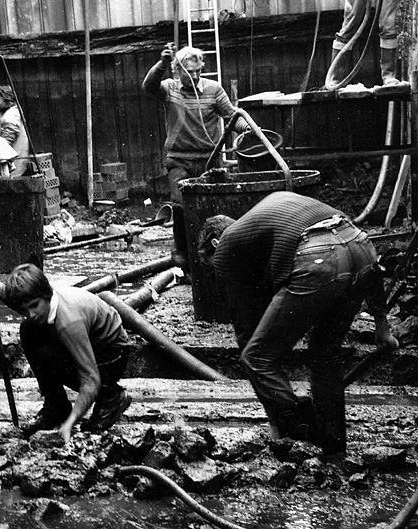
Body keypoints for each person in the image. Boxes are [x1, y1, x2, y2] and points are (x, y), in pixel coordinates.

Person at [197, 191, 398, 455]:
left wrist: (276, 416)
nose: (216, 274)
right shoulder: (268, 217)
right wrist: (382, 326)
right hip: (361, 248)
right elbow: (360, 256)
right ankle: (333, 445)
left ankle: (299, 438)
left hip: (318, 256)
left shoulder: (226, 247)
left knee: (256, 357)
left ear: (214, 243)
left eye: (210, 267)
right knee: (324, 353)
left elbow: (248, 336)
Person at [0, 260, 132, 443]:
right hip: (91, 342)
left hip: (113, 353)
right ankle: (56, 406)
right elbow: (13, 299)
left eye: (34, 306)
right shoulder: (42, 301)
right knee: (29, 328)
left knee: (50, 358)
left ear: (46, 295)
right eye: (25, 309)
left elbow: (90, 379)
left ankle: (110, 396)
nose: (31, 313)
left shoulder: (69, 323)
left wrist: (71, 423)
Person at [143, 44, 249, 204]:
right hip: (179, 161)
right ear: (178, 70)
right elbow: (149, 86)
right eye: (189, 72)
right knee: (180, 204)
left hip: (210, 159)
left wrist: (248, 128)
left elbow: (232, 116)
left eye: (198, 70)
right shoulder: (170, 89)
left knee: (215, 203)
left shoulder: (214, 89)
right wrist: (162, 64)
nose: (195, 76)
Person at [0, 85, 31, 176]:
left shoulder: (11, 116)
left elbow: (6, 143)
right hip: (15, 158)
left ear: (5, 98)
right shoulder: (8, 112)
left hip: (14, 162)